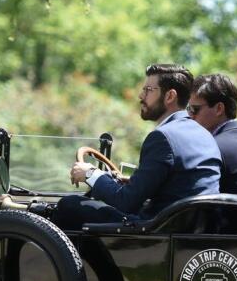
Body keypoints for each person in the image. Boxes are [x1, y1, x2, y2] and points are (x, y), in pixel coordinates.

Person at [54, 64, 221, 227]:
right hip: (193, 231)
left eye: (148, 90)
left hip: (157, 232)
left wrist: (90, 174)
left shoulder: (163, 137)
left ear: (170, 96)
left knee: (69, 204)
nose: (141, 96)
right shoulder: (206, 136)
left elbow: (126, 202)